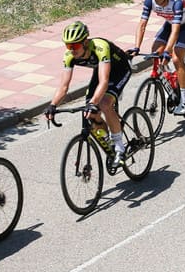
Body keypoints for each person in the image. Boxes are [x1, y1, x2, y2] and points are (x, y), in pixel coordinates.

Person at [47, 21, 132, 165]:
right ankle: (109, 141)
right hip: (100, 71)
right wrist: (52, 105)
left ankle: (119, 147)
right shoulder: (69, 56)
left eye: (75, 45)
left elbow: (104, 81)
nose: (71, 50)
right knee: (91, 114)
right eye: (68, 45)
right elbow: (64, 86)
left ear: (85, 42)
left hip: (120, 70)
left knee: (104, 104)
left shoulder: (100, 47)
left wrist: (93, 102)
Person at [133, 0, 185, 115]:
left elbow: (176, 30)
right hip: (169, 24)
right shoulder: (150, 1)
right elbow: (142, 24)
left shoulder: (177, 3)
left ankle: (184, 100)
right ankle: (171, 81)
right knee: (156, 52)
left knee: (176, 58)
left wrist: (168, 50)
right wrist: (136, 47)